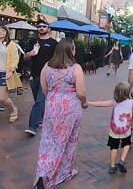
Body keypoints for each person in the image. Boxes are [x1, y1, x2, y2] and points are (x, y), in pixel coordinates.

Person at [34, 39, 87, 189]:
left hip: (52, 106)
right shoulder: (76, 68)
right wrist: (84, 102)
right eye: (74, 48)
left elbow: (44, 88)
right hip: (70, 108)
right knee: (69, 140)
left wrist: (54, 97)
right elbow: (81, 92)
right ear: (71, 51)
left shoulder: (47, 66)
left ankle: (43, 173)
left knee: (48, 141)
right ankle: (64, 172)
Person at [88, 82, 133, 174]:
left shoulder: (114, 102)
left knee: (114, 147)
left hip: (114, 130)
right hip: (126, 129)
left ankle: (112, 166)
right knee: (127, 144)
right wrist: (132, 126)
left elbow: (101, 104)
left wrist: (88, 102)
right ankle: (122, 160)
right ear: (128, 93)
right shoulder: (131, 102)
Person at [24, 20, 58, 136]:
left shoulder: (53, 43)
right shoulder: (33, 41)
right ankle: (42, 117)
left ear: (48, 28)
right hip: (34, 75)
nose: (41, 28)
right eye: (39, 26)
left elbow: (57, 59)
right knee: (38, 100)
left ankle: (32, 126)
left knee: (39, 100)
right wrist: (30, 54)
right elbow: (25, 58)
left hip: (47, 76)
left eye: (44, 26)